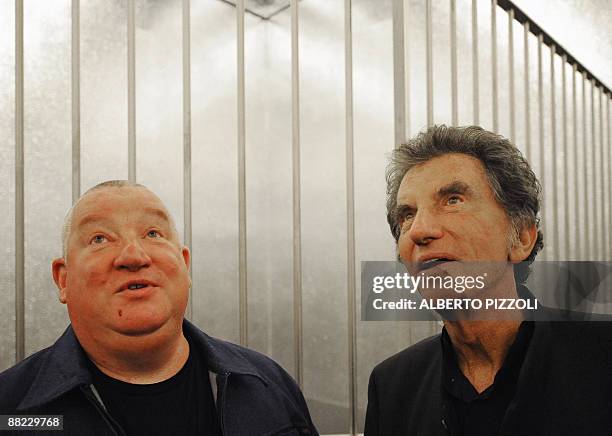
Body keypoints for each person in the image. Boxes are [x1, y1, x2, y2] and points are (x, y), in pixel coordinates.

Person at [0, 180, 318, 436]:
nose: (134, 255)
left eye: (153, 233)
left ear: (185, 264)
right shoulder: (11, 409)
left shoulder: (268, 384)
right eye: (99, 238)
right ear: (63, 279)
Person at [364, 125, 612, 435]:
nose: (419, 230)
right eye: (407, 214)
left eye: (453, 200)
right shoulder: (393, 387)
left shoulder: (602, 360)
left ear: (521, 238)